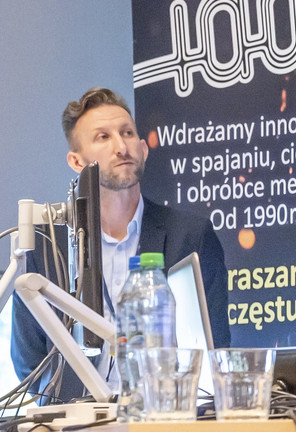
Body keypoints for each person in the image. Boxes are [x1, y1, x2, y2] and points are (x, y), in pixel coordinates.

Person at [10, 88, 231, 398]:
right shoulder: (46, 249)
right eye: (103, 137)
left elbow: (214, 348)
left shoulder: (191, 236)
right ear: (76, 161)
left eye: (127, 133)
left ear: (143, 148)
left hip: (163, 414)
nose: (121, 146)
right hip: (75, 420)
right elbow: (29, 364)